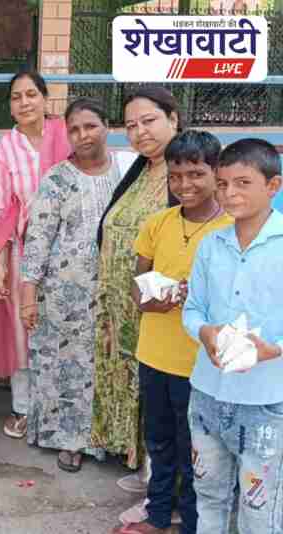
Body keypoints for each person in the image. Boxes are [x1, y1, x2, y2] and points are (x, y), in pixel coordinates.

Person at [112, 131, 231, 534]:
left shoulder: (232, 228)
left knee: (196, 450)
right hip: (154, 354)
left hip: (199, 363)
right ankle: (158, 514)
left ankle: (193, 524)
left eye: (196, 174)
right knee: (160, 442)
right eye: (176, 176)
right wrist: (148, 299)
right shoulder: (157, 223)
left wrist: (192, 297)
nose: (185, 185)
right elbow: (137, 281)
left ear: (217, 172)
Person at [17, 98, 122, 472]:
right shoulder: (57, 178)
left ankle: (108, 438)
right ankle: (68, 440)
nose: (83, 135)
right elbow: (38, 239)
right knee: (66, 367)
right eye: (75, 129)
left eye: (90, 126)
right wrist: (28, 296)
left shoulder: (126, 171)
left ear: (107, 127)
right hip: (64, 296)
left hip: (114, 292)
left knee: (106, 364)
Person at [184, 138, 283, 534]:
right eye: (223, 184)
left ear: (272, 186)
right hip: (207, 396)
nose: (229, 193)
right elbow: (193, 309)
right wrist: (205, 332)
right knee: (207, 498)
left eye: (243, 183)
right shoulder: (212, 245)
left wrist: (274, 349)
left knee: (260, 511)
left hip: (267, 404)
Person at [92, 86, 182, 471]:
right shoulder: (140, 170)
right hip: (118, 306)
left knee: (155, 390)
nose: (140, 132)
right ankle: (129, 452)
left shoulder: (184, 175)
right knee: (124, 377)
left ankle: (154, 470)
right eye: (131, 125)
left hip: (156, 308)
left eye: (149, 121)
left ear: (173, 119)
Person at [0, 70, 71, 439]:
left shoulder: (67, 135)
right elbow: (5, 209)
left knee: (65, 327)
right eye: (16, 97)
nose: (24, 103)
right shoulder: (4, 149)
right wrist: (3, 264)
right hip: (26, 251)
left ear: (44, 98)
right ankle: (24, 408)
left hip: (71, 249)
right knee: (25, 328)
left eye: (30, 95)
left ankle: (59, 409)